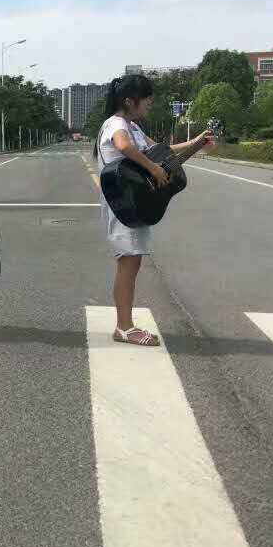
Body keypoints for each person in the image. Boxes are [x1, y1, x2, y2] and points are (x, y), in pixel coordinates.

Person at [95, 74, 212, 346]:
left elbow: (162, 150)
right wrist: (152, 168)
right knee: (128, 262)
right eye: (146, 99)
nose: (150, 103)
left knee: (132, 261)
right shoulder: (116, 124)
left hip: (136, 201)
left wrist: (196, 142)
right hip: (122, 203)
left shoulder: (133, 126)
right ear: (129, 101)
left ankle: (125, 325)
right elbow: (123, 146)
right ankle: (124, 328)